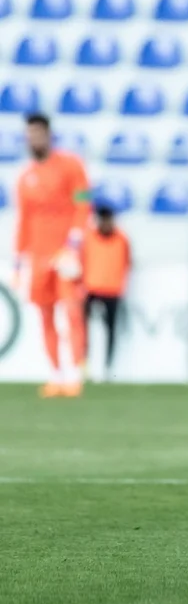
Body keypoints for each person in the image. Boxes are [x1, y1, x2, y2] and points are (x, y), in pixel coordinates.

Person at [13, 112, 90, 398]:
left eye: (37, 134)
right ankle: (55, 374)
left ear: (48, 135)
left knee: (71, 311)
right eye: (29, 135)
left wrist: (75, 242)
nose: (33, 139)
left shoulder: (71, 166)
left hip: (65, 252)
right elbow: (24, 220)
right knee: (45, 314)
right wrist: (18, 260)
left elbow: (84, 202)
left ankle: (75, 373)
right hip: (38, 255)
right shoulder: (25, 178)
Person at [82, 203, 132, 379]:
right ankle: (84, 364)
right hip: (91, 289)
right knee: (84, 330)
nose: (105, 223)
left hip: (112, 290)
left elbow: (127, 262)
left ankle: (108, 367)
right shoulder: (89, 237)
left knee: (110, 330)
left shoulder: (122, 239)